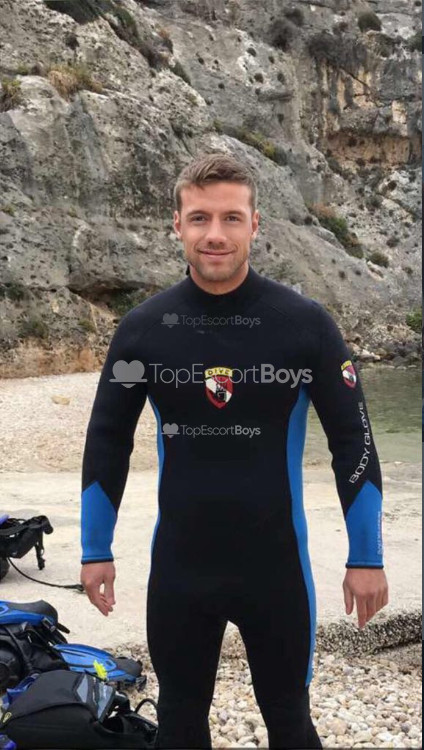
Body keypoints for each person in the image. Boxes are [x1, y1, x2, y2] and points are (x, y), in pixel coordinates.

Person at [80, 152, 389, 749]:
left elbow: (353, 439)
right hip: (180, 569)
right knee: (179, 723)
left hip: (276, 567)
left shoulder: (305, 325)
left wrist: (367, 557)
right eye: (199, 218)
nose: (214, 234)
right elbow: (107, 438)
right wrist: (96, 549)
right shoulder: (143, 328)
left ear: (255, 224)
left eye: (230, 218)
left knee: (290, 721)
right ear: (177, 224)